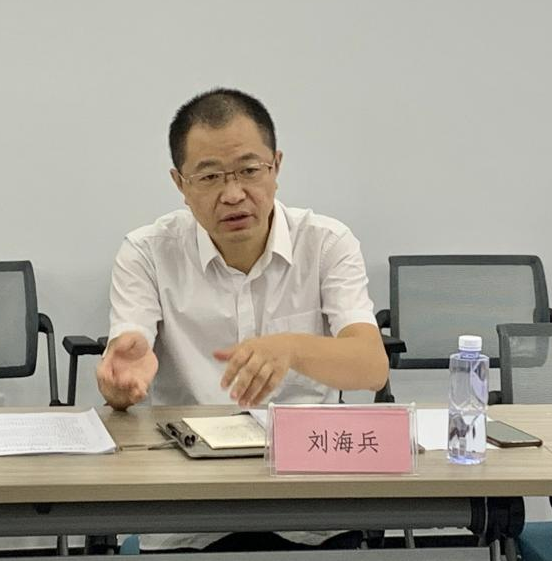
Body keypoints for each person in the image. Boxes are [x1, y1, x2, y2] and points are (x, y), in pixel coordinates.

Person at [97, 88, 387, 551]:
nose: (233, 195)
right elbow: (128, 356)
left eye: (250, 171)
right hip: (190, 507)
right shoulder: (146, 252)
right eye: (210, 176)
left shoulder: (326, 243)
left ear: (277, 167)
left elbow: (371, 367)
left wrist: (291, 348)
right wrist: (120, 386)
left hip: (312, 504)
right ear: (180, 184)